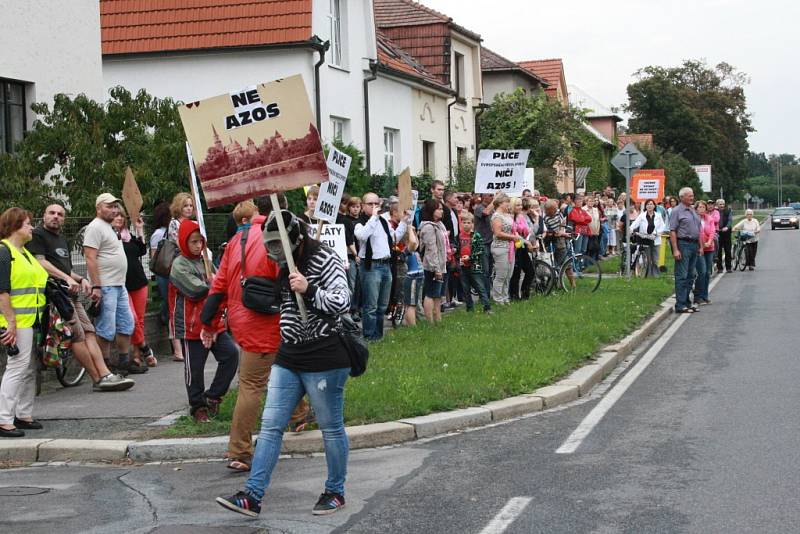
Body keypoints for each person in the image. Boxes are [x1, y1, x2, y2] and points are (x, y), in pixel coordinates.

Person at [217, 210, 351, 518]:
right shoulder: (280, 262)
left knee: (331, 428)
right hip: (289, 354)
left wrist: (310, 289)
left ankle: (335, 490)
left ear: (298, 239)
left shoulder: (325, 258)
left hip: (324, 354)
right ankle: (252, 495)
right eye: (270, 245)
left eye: (280, 245)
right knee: (271, 425)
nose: (275, 253)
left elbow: (342, 301)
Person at [202, 195, 308, 471]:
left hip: (242, 320)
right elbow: (291, 279)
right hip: (269, 320)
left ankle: (300, 414)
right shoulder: (278, 238)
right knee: (253, 385)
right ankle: (240, 450)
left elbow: (219, 285)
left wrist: (209, 323)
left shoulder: (237, 240)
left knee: (289, 366)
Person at [27, 204, 133, 392]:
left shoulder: (60, 238)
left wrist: (81, 278)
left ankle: (105, 374)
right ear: (43, 216)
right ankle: (97, 378)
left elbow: (66, 268)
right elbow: (41, 262)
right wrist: (67, 278)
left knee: (89, 331)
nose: (56, 217)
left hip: (71, 292)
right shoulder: (37, 235)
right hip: (56, 294)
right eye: (51, 213)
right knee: (76, 335)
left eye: (60, 214)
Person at [170, 219, 238, 423]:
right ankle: (197, 406)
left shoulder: (204, 260)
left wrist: (216, 283)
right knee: (195, 369)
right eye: (193, 242)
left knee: (231, 355)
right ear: (184, 241)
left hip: (213, 323)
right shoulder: (179, 265)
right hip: (191, 326)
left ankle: (213, 396)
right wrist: (213, 285)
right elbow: (195, 290)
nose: (198, 246)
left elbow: (220, 283)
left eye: (201, 242)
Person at [0, 208, 48, 437]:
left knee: (29, 368)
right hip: (16, 321)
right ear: (16, 226)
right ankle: (3, 419)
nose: (31, 228)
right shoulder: (4, 252)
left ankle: (23, 414)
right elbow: (2, 292)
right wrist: (10, 322)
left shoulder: (24, 253)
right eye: (28, 224)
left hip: (31, 320)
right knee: (17, 368)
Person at [83, 193, 140, 374]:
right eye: (109, 206)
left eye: (115, 206)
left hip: (118, 284)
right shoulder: (94, 227)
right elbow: (90, 258)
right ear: (98, 208)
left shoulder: (109, 227)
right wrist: (96, 286)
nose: (114, 210)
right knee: (106, 328)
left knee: (126, 324)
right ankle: (105, 366)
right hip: (106, 285)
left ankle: (123, 361)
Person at [354, 192, 407, 341]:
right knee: (371, 305)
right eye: (370, 204)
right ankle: (369, 336)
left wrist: (404, 221)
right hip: (371, 266)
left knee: (382, 305)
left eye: (376, 204)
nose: (374, 206)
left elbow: (394, 237)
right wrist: (374, 217)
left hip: (385, 265)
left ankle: (379, 335)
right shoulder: (360, 222)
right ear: (363, 206)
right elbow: (363, 236)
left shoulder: (383, 222)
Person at [112, 207, 155, 369]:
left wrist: (139, 230)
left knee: (140, 319)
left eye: (121, 216)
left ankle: (137, 357)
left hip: (139, 282)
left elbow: (142, 250)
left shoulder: (129, 237)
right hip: (121, 283)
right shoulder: (109, 237)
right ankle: (145, 348)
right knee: (132, 319)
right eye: (115, 215)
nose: (119, 218)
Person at [167, 192, 195, 362]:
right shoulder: (174, 224)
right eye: (185, 205)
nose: (189, 208)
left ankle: (190, 344)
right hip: (178, 269)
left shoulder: (194, 223)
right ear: (179, 207)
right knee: (175, 307)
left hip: (192, 269)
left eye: (191, 205)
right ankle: (177, 348)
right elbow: (181, 245)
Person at [669, 187, 702, 313]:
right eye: (689, 196)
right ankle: (680, 304)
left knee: (691, 275)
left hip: (694, 245)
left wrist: (700, 246)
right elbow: (672, 231)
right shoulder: (677, 211)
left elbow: (698, 229)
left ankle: (687, 302)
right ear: (682, 197)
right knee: (682, 275)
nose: (692, 198)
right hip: (683, 244)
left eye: (692, 195)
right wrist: (675, 249)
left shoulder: (693, 210)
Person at [418, 199, 448, 324]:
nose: (441, 211)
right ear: (431, 211)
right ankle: (429, 321)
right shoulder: (428, 227)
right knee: (431, 293)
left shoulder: (439, 225)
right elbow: (431, 249)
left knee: (438, 294)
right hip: (432, 266)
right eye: (438, 209)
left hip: (441, 264)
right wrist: (436, 269)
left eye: (442, 209)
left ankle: (438, 319)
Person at [490, 193, 521, 305]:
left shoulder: (507, 215)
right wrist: (513, 237)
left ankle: (505, 297)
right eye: (506, 202)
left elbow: (512, 228)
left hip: (510, 247)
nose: (508, 204)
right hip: (500, 247)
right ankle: (498, 299)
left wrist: (516, 234)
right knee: (501, 274)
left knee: (508, 274)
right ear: (500, 203)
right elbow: (498, 233)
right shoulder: (497, 216)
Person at [458, 211, 491, 313]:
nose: (466, 225)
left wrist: (470, 257)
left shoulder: (476, 236)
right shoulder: (459, 236)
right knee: (465, 288)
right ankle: (469, 307)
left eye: (468, 222)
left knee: (480, 286)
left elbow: (479, 250)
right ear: (461, 223)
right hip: (463, 266)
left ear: (472, 224)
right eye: (464, 222)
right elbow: (457, 249)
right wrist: (459, 259)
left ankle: (486, 307)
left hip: (475, 265)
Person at [149, 202, 172, 327]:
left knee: (170, 298)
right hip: (163, 272)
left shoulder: (170, 231)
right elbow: (154, 256)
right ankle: (163, 317)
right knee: (168, 299)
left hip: (169, 271)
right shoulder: (158, 234)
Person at [630, 199, 666, 277]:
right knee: (648, 259)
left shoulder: (658, 215)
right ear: (646, 206)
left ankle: (656, 275)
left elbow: (662, 227)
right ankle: (648, 275)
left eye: (651, 204)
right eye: (648, 204)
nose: (649, 206)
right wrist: (631, 229)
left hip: (655, 239)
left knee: (655, 259)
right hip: (645, 239)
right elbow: (635, 224)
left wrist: (657, 233)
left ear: (654, 206)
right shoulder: (642, 215)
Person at [508, 197, 534, 301]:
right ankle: (514, 296)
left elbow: (527, 231)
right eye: (517, 205)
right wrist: (525, 241)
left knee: (530, 271)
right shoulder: (509, 218)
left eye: (520, 205)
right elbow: (513, 233)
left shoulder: (521, 217)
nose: (519, 207)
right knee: (516, 273)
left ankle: (524, 293)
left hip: (522, 246)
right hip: (513, 247)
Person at [693, 201, 716, 305]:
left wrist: (709, 242)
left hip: (709, 248)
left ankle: (705, 295)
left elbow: (712, 232)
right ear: (696, 208)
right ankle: (697, 296)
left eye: (703, 207)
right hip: (699, 249)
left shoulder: (709, 219)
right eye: (700, 207)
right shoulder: (694, 219)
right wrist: (702, 244)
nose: (702, 209)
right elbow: (698, 233)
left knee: (707, 273)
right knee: (701, 272)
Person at [473, 193, 495, 290]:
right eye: (490, 195)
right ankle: (484, 295)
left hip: (491, 241)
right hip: (482, 242)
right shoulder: (479, 207)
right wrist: (496, 200)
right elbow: (485, 212)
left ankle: (487, 293)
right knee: (484, 270)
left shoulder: (493, 208)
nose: (492, 197)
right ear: (484, 197)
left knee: (489, 269)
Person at [716, 199, 734, 273]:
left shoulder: (728, 211)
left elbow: (730, 220)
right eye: (720, 204)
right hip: (718, 232)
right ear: (717, 205)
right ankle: (719, 268)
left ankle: (728, 267)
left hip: (726, 232)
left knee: (728, 250)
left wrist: (727, 227)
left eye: (723, 204)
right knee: (718, 251)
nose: (722, 205)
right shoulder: (715, 211)